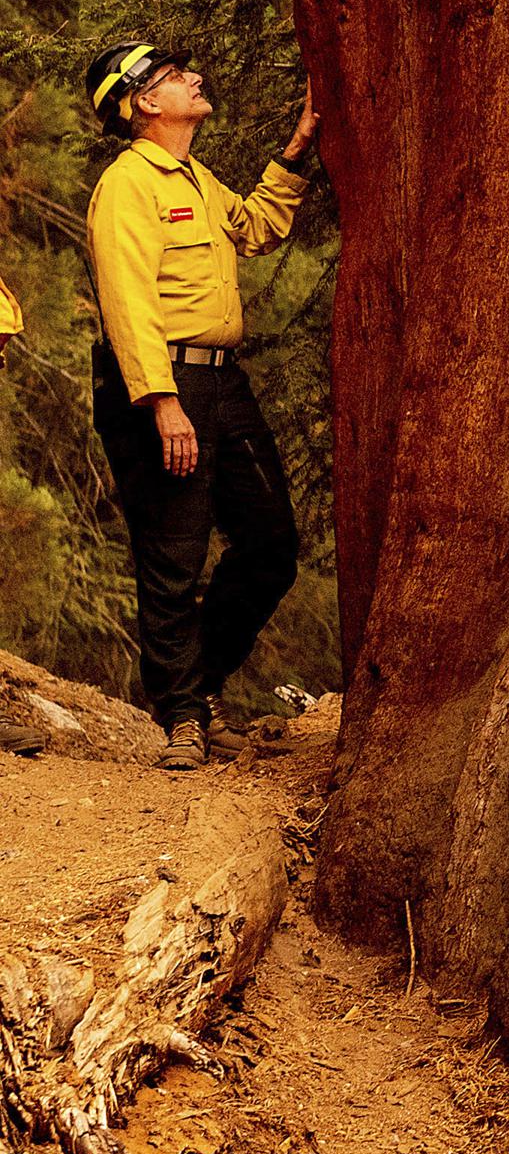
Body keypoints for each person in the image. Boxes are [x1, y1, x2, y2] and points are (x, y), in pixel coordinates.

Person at [81, 43, 319, 771]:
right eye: (173, 75)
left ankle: (200, 682)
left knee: (271, 540)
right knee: (172, 556)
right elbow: (126, 299)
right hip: (160, 385)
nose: (193, 77)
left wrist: (299, 146)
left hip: (220, 380)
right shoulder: (128, 184)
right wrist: (160, 401)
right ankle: (183, 717)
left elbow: (252, 227)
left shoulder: (192, 176)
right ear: (144, 103)